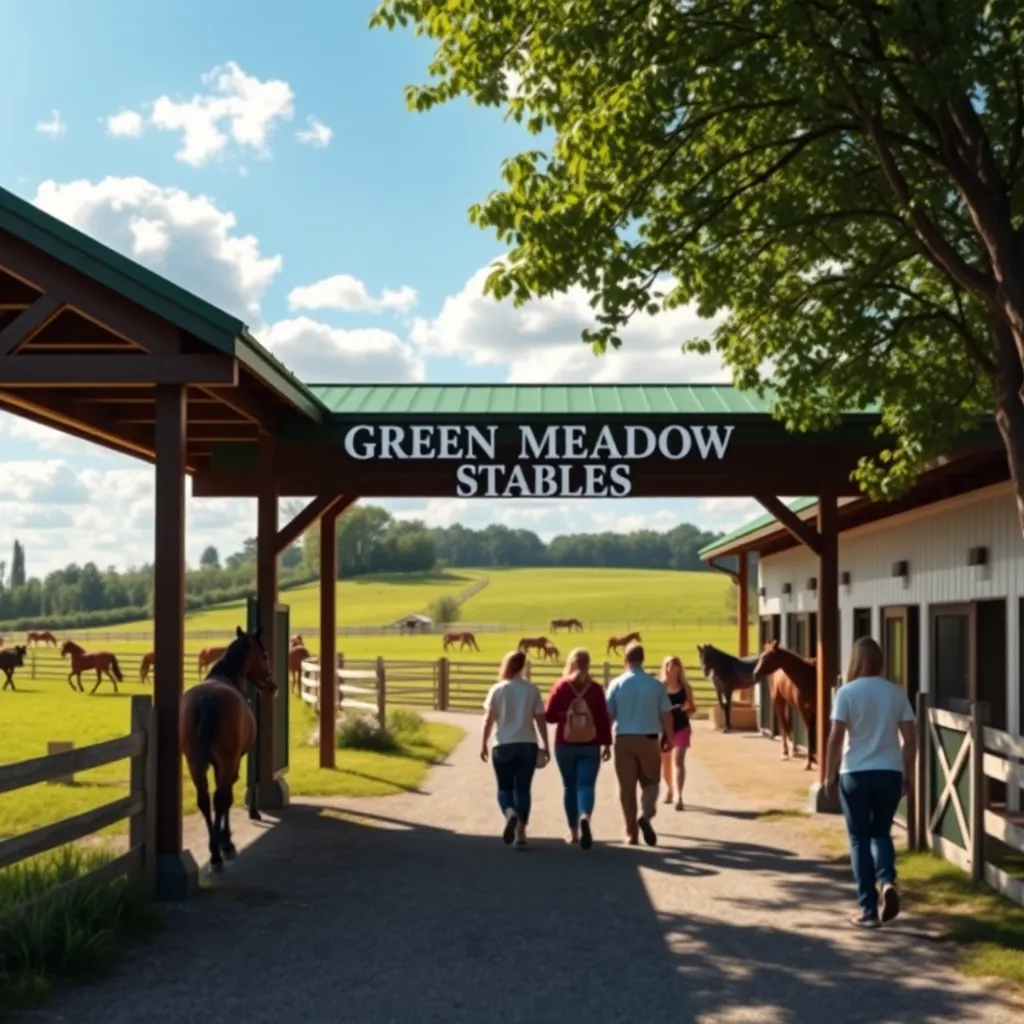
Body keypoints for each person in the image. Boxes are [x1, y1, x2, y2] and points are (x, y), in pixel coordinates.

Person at [824, 636, 916, 928]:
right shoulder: (896, 693)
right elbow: (911, 738)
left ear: (855, 660)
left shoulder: (846, 693)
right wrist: (907, 772)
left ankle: (868, 910)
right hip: (889, 772)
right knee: (881, 833)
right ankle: (887, 880)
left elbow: (836, 737)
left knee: (859, 840)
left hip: (855, 773)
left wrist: (829, 773)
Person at [606, 642, 674, 846]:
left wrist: (604, 743)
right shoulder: (655, 685)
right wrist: (669, 737)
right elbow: (666, 714)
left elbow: (608, 716)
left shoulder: (617, 684)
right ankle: (645, 813)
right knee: (651, 783)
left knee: (626, 788)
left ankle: (631, 833)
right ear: (643, 660)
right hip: (649, 739)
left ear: (625, 660)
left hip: (624, 739)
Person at [481, 650, 551, 848]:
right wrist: (545, 744)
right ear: (523, 667)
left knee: (504, 787)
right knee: (523, 788)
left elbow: (488, 719)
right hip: (527, 743)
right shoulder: (531, 690)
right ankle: (521, 832)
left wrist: (484, 743)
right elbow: (540, 719)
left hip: (503, 744)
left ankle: (509, 813)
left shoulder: (497, 689)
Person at [545, 647, 613, 850]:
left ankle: (573, 831)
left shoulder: (561, 686)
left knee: (569, 786)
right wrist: (607, 743)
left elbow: (548, 717)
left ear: (571, 663)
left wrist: (563, 714)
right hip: (590, 744)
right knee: (586, 785)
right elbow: (603, 718)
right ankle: (585, 815)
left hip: (565, 744)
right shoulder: (596, 688)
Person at [659, 655, 696, 810]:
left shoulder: (685, 688)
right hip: (664, 730)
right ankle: (669, 788)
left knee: (679, 762)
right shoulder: (659, 687)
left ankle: (678, 796)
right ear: (664, 668)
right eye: (668, 665)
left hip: (682, 727)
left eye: (675, 665)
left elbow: (693, 709)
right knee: (665, 764)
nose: (671, 668)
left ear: (679, 669)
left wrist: (688, 708)